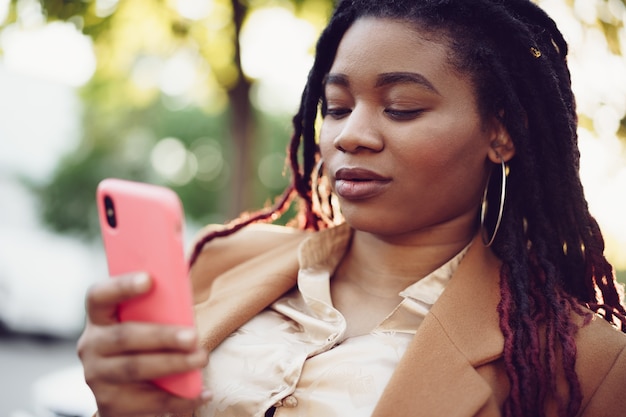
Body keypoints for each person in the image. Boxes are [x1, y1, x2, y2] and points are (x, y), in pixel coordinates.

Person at [77, 0, 626, 416]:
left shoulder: (585, 362)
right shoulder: (224, 260)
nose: (351, 135)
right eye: (336, 107)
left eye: (402, 108)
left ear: (502, 132)